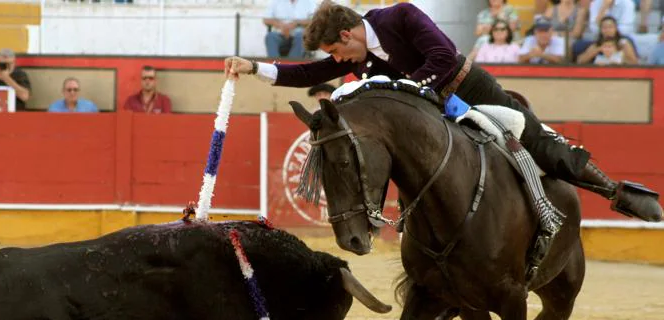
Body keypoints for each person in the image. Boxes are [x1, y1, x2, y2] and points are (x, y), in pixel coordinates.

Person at [224, 0, 661, 224]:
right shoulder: (354, 54)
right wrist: (254, 67)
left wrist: (409, 89)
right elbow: (310, 72)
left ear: (348, 32)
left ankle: (617, 192)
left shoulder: (401, 16)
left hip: (469, 90)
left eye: (338, 51)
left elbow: (442, 56)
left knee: (535, 140)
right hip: (430, 110)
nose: (337, 62)